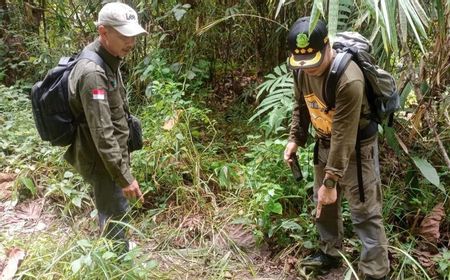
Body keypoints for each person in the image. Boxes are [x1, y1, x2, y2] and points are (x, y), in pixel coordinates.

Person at [283, 17, 390, 280]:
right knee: (324, 205)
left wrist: (331, 182)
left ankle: (375, 272)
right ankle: (330, 253)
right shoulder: (302, 70)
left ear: (328, 47)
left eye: (314, 61)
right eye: (302, 64)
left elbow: (344, 134)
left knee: (364, 212)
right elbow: (302, 105)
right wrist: (295, 138)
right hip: (324, 141)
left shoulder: (349, 79)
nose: (309, 69)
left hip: (357, 147)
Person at [64, 2, 147, 251]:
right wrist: (124, 177)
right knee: (115, 211)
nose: (130, 42)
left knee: (112, 208)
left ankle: (114, 249)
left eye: (132, 35)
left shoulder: (109, 57)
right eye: (123, 35)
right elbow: (102, 133)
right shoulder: (93, 73)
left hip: (110, 157)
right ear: (103, 32)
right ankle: (118, 263)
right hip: (103, 160)